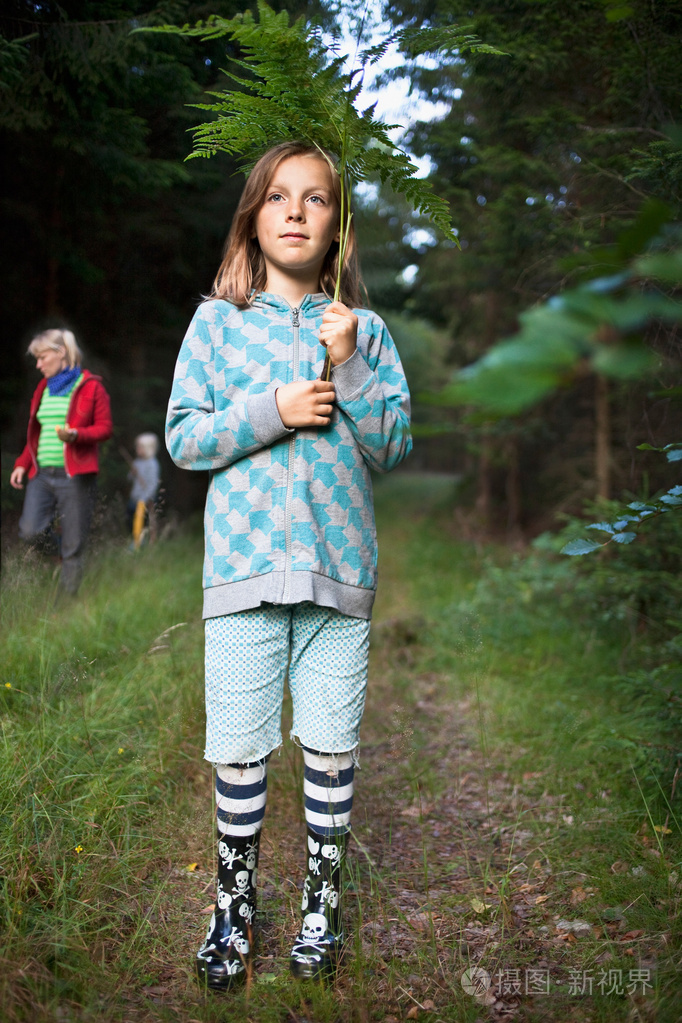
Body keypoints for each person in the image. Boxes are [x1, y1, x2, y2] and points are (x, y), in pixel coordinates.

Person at [166, 141, 412, 990]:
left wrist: (347, 362)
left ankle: (321, 902)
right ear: (254, 217)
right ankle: (234, 905)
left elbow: (392, 445)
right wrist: (272, 409)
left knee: (331, 745)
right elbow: (185, 436)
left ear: (338, 223)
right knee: (239, 747)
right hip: (240, 575)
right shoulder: (216, 324)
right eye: (279, 197)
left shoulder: (365, 331)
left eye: (316, 198)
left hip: (339, 577)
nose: (297, 211)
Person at [10, 328, 112, 595]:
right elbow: (36, 432)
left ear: (61, 353)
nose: (38, 364)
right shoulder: (42, 388)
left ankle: (65, 607)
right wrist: (22, 463)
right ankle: (62, 557)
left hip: (75, 475)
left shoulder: (91, 387)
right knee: (30, 532)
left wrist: (77, 435)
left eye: (42, 357)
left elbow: (105, 429)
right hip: (41, 474)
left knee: (74, 543)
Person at [127, 432, 161, 547]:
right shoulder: (137, 462)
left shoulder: (152, 464)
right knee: (131, 520)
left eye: (140, 447)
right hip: (134, 497)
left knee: (142, 523)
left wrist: (146, 498)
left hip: (145, 499)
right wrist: (132, 473)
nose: (137, 449)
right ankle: (137, 541)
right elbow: (129, 478)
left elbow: (152, 484)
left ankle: (139, 543)